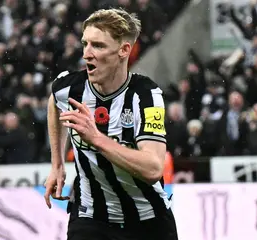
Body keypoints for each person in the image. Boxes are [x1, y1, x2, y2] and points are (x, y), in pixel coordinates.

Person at [44, 8, 178, 240]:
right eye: (85, 44)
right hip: (90, 219)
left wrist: (96, 138)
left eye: (98, 46)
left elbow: (153, 168)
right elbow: (54, 101)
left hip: (147, 221)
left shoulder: (146, 96)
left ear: (124, 50)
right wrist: (57, 164)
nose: (87, 53)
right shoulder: (70, 88)